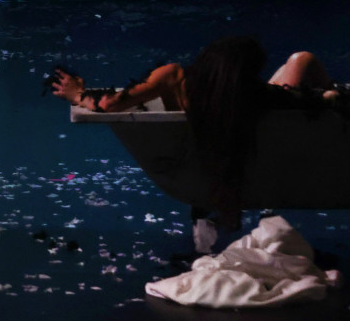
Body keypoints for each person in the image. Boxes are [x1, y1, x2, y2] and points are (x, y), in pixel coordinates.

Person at [50, 37, 335, 228]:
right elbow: (309, 99)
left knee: (297, 66)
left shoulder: (175, 78)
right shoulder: (252, 93)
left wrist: (77, 94)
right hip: (253, 161)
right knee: (301, 60)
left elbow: (109, 104)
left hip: (201, 165)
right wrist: (331, 98)